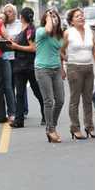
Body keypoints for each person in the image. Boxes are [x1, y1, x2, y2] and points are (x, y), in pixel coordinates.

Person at [62, 8, 95, 140]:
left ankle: (90, 127)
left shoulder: (90, 32)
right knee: (75, 100)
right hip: (74, 68)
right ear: (71, 21)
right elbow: (60, 50)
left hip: (88, 68)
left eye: (82, 16)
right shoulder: (68, 33)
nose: (81, 18)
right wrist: (65, 63)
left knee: (88, 99)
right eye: (77, 16)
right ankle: (75, 128)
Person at [8, 8, 45, 128]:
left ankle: (46, 115)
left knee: (37, 91)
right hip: (19, 66)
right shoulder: (23, 30)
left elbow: (33, 48)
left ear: (21, 17)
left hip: (29, 66)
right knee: (19, 94)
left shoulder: (30, 30)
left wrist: (16, 46)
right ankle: (19, 121)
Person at [35, 9, 65, 143]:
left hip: (56, 69)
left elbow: (58, 51)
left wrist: (63, 66)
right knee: (49, 101)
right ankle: (51, 129)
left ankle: (51, 126)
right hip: (43, 69)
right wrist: (48, 17)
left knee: (60, 100)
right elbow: (48, 30)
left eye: (55, 16)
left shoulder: (59, 34)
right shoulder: (41, 31)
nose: (54, 18)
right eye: (51, 16)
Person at [2, 4, 23, 121]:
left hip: (18, 56)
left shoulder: (20, 24)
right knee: (9, 85)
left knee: (19, 83)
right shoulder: (2, 25)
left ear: (15, 13)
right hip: (5, 57)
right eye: (6, 12)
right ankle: (12, 109)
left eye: (10, 11)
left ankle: (22, 109)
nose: (8, 14)